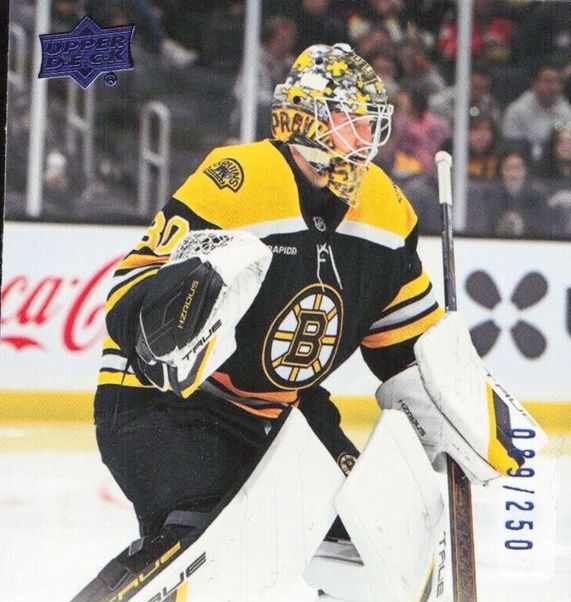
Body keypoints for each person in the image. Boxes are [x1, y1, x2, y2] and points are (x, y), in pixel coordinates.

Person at [95, 43, 443, 546]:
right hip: (168, 404)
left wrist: (458, 407)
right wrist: (167, 328)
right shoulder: (239, 179)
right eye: (353, 121)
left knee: (376, 531)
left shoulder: (387, 210)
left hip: (281, 413)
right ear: (305, 120)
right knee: (202, 531)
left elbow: (411, 350)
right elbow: (132, 286)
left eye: (372, 123)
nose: (367, 138)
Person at [502, 64, 571, 162]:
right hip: (525, 164)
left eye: (555, 82)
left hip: (556, 165)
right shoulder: (517, 111)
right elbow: (512, 146)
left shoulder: (565, 111)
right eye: (547, 81)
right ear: (535, 84)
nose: (551, 87)